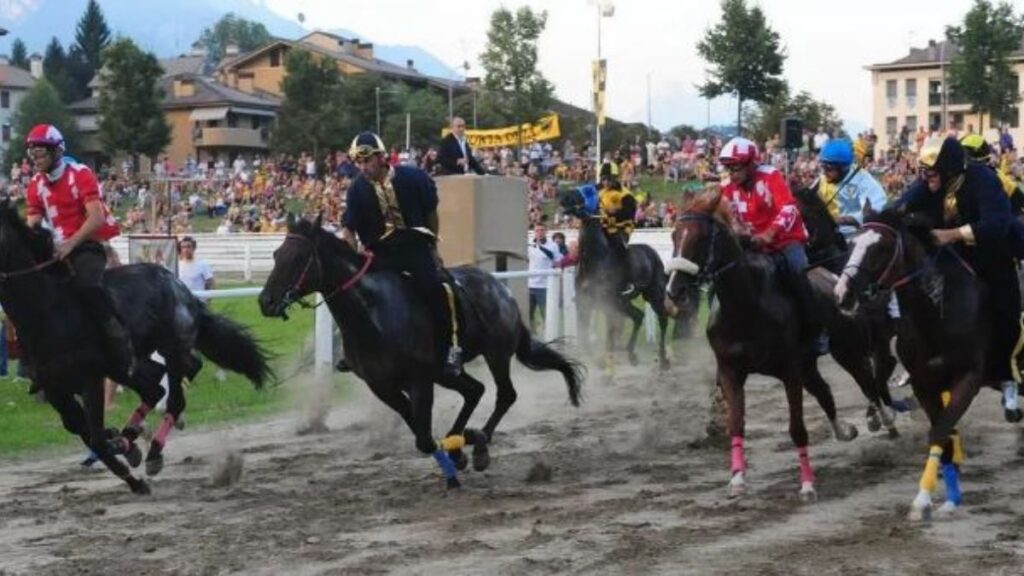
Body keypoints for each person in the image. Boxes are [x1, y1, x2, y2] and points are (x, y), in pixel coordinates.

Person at [894, 136, 1022, 422]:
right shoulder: (930, 182)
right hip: (951, 254)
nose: (925, 178)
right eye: (924, 172)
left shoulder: (984, 180)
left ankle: (1007, 378)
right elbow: (903, 203)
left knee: (1006, 311)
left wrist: (952, 234)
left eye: (931, 172)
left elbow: (998, 224)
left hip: (993, 254)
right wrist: (886, 218)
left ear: (949, 169)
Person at [341, 132, 463, 377]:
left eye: (367, 160)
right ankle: (354, 350)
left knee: (437, 289)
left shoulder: (413, 177)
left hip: (415, 249)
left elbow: (431, 214)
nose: (363, 167)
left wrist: (432, 247)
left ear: (381, 157)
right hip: (379, 255)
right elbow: (349, 228)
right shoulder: (356, 190)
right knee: (354, 295)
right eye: (359, 162)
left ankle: (451, 347)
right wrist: (351, 254)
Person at [23, 124, 133, 382]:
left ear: (57, 151)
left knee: (87, 286)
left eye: (40, 152)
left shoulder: (81, 173)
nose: (35, 158)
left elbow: (96, 218)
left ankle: (116, 337)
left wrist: (71, 244)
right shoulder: (35, 184)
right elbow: (33, 225)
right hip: (57, 249)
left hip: (86, 245)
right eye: (32, 153)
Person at [718, 137, 825, 355]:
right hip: (751, 244)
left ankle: (817, 333)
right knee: (723, 278)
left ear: (750, 164)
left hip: (786, 241)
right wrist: (738, 230)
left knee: (798, 274)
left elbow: (789, 208)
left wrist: (769, 233)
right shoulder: (727, 187)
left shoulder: (771, 176)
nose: (731, 172)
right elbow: (728, 216)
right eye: (728, 168)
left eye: (735, 167)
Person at [816, 139, 888, 239]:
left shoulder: (864, 182)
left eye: (828, 168)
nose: (824, 172)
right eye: (823, 167)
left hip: (855, 237)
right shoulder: (824, 178)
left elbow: (877, 207)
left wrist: (848, 219)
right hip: (829, 234)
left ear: (843, 168)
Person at [597, 160, 638, 296]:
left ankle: (627, 280)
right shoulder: (599, 192)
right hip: (602, 227)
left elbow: (628, 214)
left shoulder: (626, 195)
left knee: (619, 248)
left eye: (608, 179)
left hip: (621, 229)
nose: (606, 182)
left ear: (615, 178)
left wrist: (610, 215)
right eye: (603, 179)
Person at [527, 225, 562, 332]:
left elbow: (556, 260)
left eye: (542, 230)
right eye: (537, 230)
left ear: (546, 231)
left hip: (545, 286)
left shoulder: (553, 245)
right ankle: (533, 336)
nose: (540, 232)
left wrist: (541, 247)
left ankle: (549, 335)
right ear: (534, 232)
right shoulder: (529, 244)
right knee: (528, 314)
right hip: (530, 285)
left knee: (546, 314)